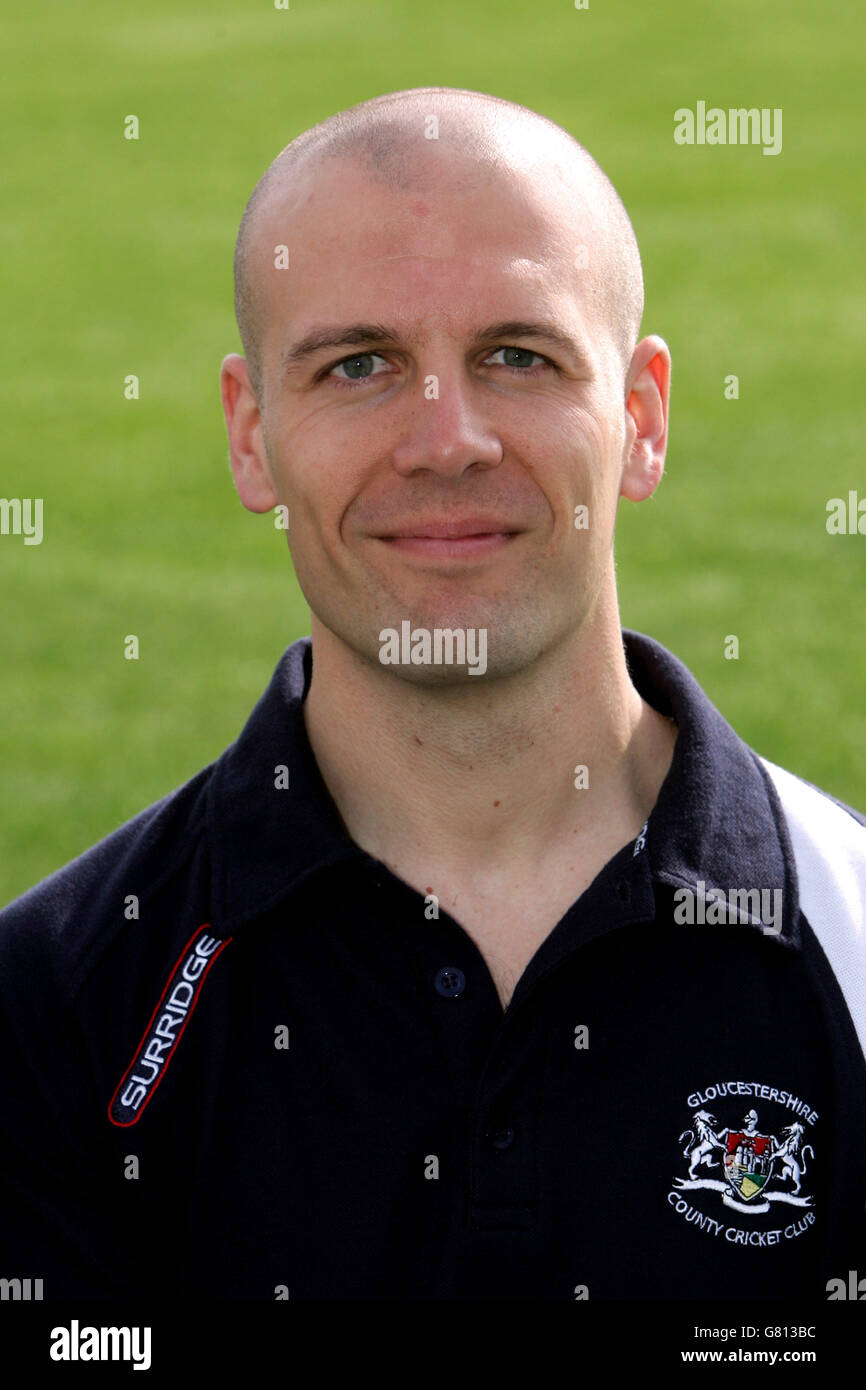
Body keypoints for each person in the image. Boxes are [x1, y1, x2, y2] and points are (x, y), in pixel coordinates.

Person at [1, 86, 864, 1303]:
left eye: (517, 355)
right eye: (359, 365)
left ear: (641, 415)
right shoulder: (52, 1006)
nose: (444, 438)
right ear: (251, 435)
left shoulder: (854, 940)